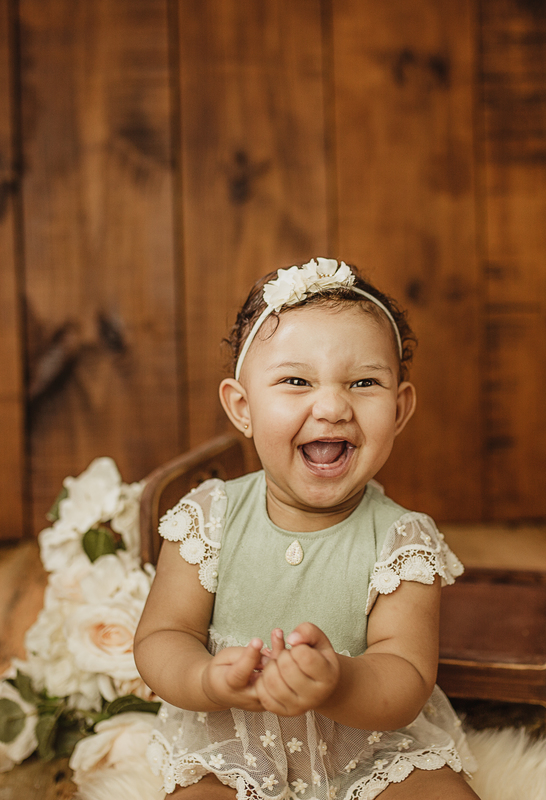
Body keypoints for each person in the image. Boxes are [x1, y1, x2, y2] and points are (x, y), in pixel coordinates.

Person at [134, 258, 479, 800]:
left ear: (399, 409)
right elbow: (162, 636)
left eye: (364, 382)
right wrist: (206, 679)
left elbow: (407, 675)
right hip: (235, 747)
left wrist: (339, 680)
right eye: (296, 381)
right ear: (243, 407)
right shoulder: (209, 518)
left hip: (372, 746)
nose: (333, 406)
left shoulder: (404, 541)